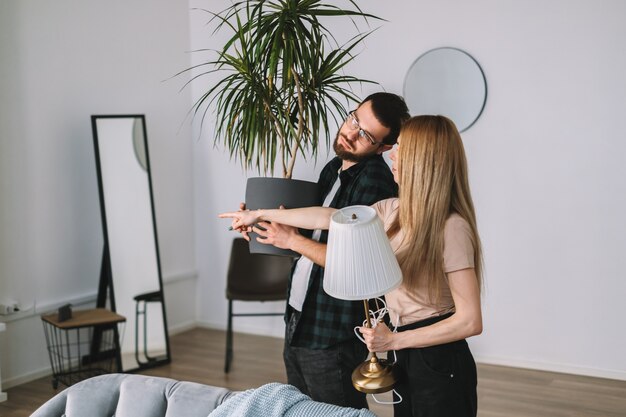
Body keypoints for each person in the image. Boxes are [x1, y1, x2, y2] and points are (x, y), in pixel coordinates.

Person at [220, 115, 483, 417]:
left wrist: (396, 339)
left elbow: (470, 321)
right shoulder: (393, 211)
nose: (393, 156)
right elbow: (328, 218)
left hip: (438, 357)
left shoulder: (452, 228)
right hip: (405, 350)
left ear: (424, 161)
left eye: (402, 149)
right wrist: (259, 214)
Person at [238, 92, 410, 409]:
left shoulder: (374, 179)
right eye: (354, 118)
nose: (350, 131)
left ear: (384, 148)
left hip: (332, 331)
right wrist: (262, 223)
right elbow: (316, 231)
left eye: (365, 134)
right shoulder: (334, 168)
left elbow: (353, 262)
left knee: (335, 412)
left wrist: (290, 239)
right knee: (300, 410)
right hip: (301, 315)